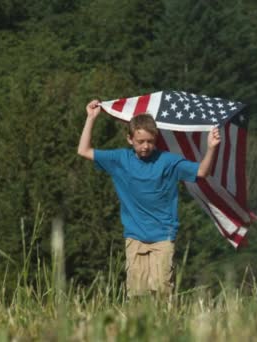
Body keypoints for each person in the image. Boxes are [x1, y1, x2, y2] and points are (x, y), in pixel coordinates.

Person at [77, 99, 220, 298]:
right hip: (134, 237)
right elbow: (83, 150)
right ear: (130, 139)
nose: (145, 146)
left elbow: (202, 172)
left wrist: (212, 147)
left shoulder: (168, 162)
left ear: (156, 139)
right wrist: (91, 118)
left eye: (150, 142)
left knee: (161, 290)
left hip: (163, 237)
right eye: (140, 142)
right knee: (136, 294)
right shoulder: (119, 160)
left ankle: (164, 327)